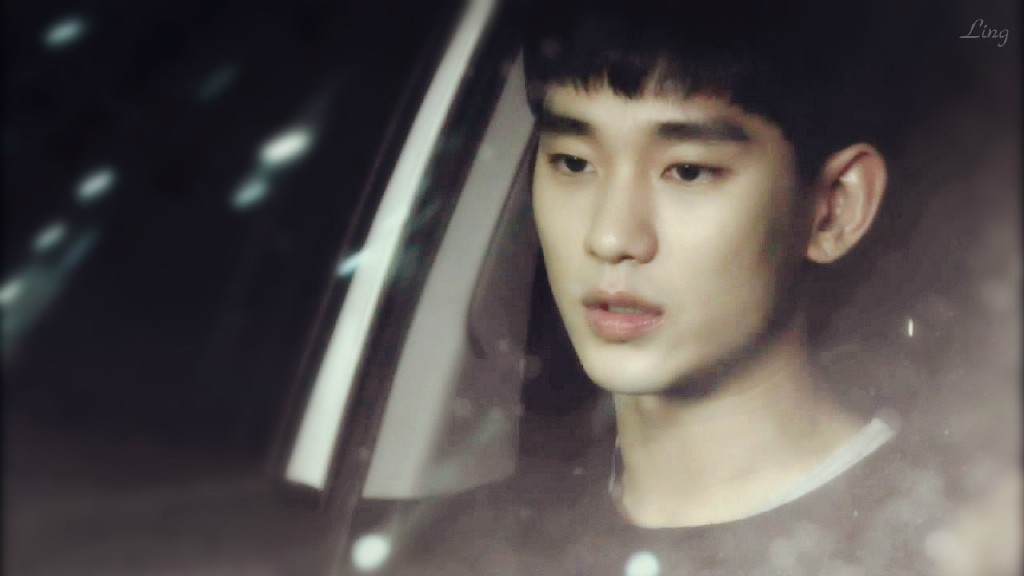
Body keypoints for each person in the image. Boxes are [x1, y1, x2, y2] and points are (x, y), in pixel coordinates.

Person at [384, 1, 1003, 574]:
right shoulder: (457, 548)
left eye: (686, 171)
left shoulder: (962, 544)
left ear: (834, 208)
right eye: (574, 162)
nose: (610, 236)